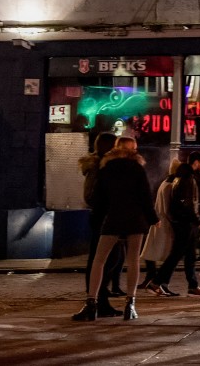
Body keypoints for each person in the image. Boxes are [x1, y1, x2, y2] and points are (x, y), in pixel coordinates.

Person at [72, 137, 156, 322]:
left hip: (113, 217)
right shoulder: (137, 168)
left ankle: (91, 303)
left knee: (99, 260)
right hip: (135, 219)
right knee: (133, 259)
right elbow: (145, 196)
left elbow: (99, 197)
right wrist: (153, 219)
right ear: (133, 150)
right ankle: (130, 304)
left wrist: (100, 218)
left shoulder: (106, 168)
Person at [79, 132, 124, 316]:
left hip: (106, 215)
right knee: (106, 259)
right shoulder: (99, 166)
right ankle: (97, 300)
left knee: (110, 259)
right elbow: (91, 195)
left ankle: (99, 299)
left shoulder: (104, 165)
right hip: (103, 217)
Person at [153, 151, 200, 298]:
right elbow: (188, 203)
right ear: (195, 162)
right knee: (176, 254)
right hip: (185, 223)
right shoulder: (187, 178)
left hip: (184, 222)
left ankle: (193, 285)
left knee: (189, 255)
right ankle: (157, 281)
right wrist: (198, 222)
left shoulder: (181, 176)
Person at [142, 159, 181, 296]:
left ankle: (157, 281)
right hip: (165, 224)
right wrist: (174, 221)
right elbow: (166, 209)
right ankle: (159, 283)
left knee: (159, 252)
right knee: (168, 255)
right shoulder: (169, 185)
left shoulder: (165, 183)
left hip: (161, 222)